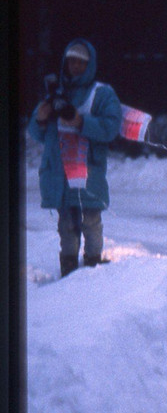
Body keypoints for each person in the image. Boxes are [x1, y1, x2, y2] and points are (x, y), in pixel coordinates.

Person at [28, 39, 122, 277]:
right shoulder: (56, 93)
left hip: (88, 173)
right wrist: (40, 117)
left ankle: (93, 268)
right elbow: (37, 133)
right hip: (60, 174)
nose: (76, 66)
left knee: (91, 222)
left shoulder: (102, 93)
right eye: (72, 61)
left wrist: (81, 122)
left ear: (89, 64)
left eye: (81, 62)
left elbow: (111, 128)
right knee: (66, 226)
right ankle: (68, 272)